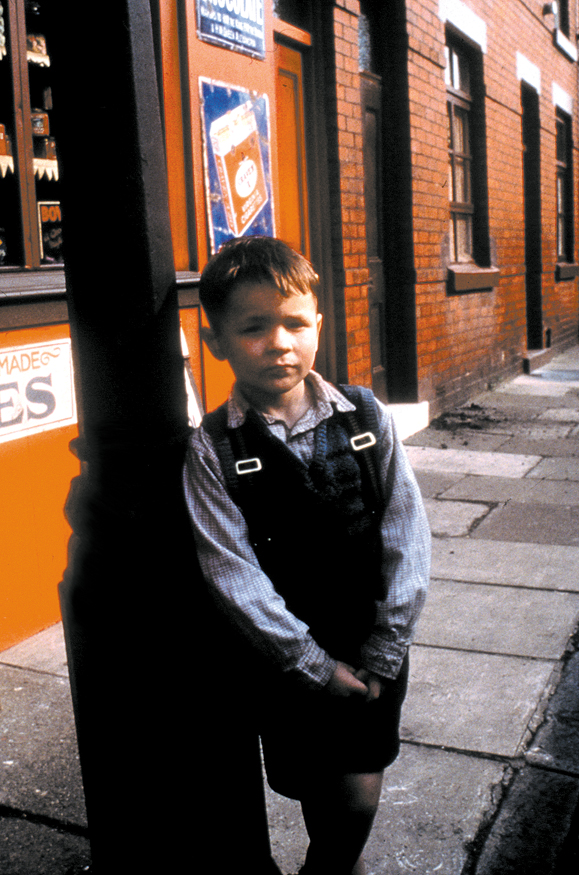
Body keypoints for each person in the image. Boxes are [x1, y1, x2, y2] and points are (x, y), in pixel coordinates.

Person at [183, 236, 431, 875]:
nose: (280, 341)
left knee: (358, 788)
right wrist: (312, 666)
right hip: (285, 660)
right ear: (218, 341)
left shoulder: (367, 416)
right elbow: (230, 570)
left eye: (295, 323)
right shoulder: (213, 448)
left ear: (318, 325)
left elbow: (407, 538)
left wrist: (383, 648)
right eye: (255, 327)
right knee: (316, 786)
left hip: (373, 644)